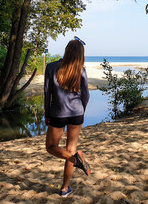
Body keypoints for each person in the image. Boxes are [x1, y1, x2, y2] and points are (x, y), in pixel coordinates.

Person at [44, 38, 91, 197]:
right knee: (71, 149)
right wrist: (81, 110)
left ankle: (75, 161)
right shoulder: (81, 70)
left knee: (51, 147)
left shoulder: (51, 67)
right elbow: (86, 95)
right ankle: (64, 188)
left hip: (58, 113)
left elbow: (47, 93)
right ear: (80, 55)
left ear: (66, 50)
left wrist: (47, 113)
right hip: (77, 113)